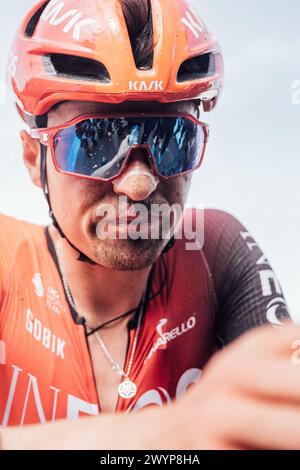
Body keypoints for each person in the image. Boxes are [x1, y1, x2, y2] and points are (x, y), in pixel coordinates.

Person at [0, 0, 296, 450]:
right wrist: (174, 430)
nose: (139, 185)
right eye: (96, 143)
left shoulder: (217, 251)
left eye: (172, 140)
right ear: (32, 158)